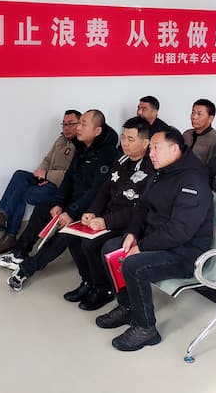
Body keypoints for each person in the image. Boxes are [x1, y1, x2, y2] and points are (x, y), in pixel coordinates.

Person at [95, 127, 214, 352]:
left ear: (174, 149)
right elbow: (142, 207)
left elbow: (180, 231)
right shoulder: (162, 171)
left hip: (185, 252)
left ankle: (146, 328)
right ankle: (128, 306)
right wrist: (132, 233)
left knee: (134, 265)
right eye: (150, 149)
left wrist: (141, 247)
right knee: (111, 248)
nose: (151, 154)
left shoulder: (193, 180)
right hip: (159, 240)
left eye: (156, 148)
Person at [0, 110, 119, 289]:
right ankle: (19, 253)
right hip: (75, 201)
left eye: (83, 124)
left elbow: (96, 191)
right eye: (79, 123)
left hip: (92, 208)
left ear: (97, 131)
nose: (78, 128)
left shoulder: (107, 154)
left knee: (65, 233)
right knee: (43, 208)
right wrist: (58, 203)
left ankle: (26, 269)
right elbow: (69, 178)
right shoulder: (82, 147)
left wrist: (70, 212)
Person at [62, 116, 154, 310]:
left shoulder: (151, 168)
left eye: (131, 139)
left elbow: (140, 209)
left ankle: (104, 289)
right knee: (72, 236)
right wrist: (92, 211)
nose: (125, 143)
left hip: (130, 224)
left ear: (146, 143)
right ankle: (88, 282)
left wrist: (106, 221)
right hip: (109, 216)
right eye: (123, 137)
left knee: (91, 243)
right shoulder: (121, 159)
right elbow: (104, 189)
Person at [0, 110, 81, 255]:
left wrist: (48, 175)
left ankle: (10, 235)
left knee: (23, 194)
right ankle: (1, 214)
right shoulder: (61, 140)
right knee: (19, 175)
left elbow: (72, 176)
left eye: (70, 124)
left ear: (80, 124)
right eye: (64, 124)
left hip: (60, 187)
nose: (66, 128)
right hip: (47, 179)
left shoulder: (81, 146)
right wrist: (42, 176)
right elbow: (47, 159)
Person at [182, 98, 216, 166]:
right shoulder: (187, 134)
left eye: (199, 114)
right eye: (193, 112)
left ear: (210, 118)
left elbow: (212, 168)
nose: (194, 117)